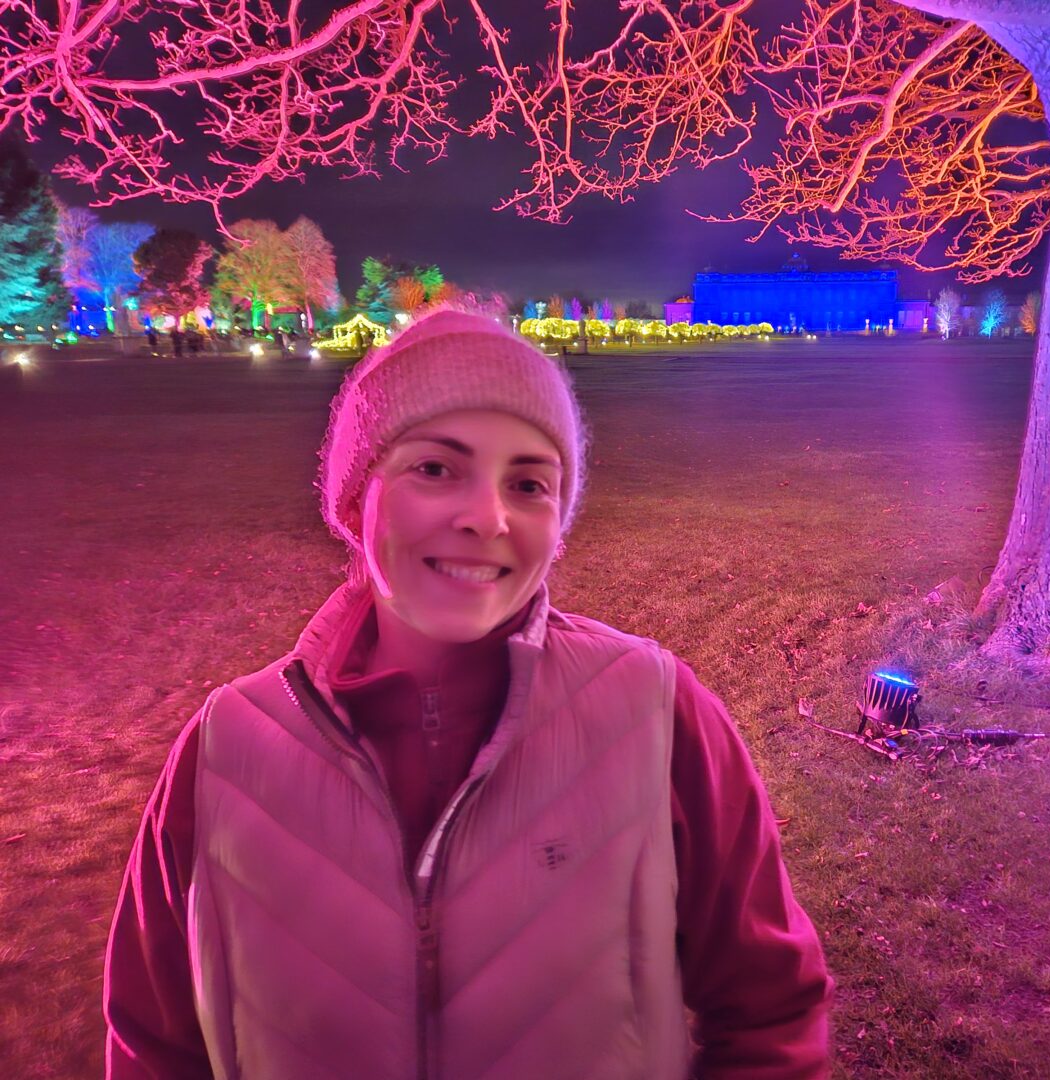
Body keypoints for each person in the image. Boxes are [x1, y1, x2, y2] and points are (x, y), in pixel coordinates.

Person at [104, 307, 833, 1078]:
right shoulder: (225, 750)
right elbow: (153, 1046)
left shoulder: (655, 712)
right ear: (357, 499)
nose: (487, 518)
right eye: (435, 469)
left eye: (528, 484)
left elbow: (771, 1012)